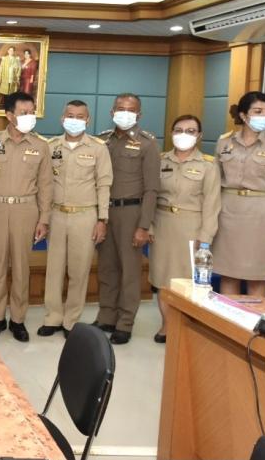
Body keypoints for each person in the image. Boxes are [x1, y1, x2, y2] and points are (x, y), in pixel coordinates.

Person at [0, 91, 51, 341]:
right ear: (9, 115)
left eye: (32, 112)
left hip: (26, 210)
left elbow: (46, 184)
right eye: (23, 112)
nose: (29, 116)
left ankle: (18, 319)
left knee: (21, 267)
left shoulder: (41, 146)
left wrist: (44, 218)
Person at [38, 100, 112, 338]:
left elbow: (104, 185)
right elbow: (43, 184)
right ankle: (52, 318)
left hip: (85, 216)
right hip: (56, 214)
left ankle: (71, 321)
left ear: (88, 120)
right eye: (70, 115)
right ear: (62, 118)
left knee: (79, 272)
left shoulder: (98, 148)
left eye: (80, 116)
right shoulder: (50, 146)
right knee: (54, 270)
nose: (75, 120)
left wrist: (102, 219)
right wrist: (43, 217)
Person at [213, 92, 265, 298]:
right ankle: (229, 318)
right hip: (227, 214)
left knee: (257, 277)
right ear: (243, 115)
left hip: (261, 217)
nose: (264, 116)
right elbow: (214, 183)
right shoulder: (224, 142)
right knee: (228, 275)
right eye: (258, 111)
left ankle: (256, 319)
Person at [95, 93, 160, 345]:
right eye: (120, 108)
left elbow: (152, 189)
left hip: (131, 213)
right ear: (112, 112)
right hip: (105, 212)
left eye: (130, 109)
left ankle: (125, 322)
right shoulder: (102, 140)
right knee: (107, 268)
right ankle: (106, 316)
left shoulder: (147, 144)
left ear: (139, 115)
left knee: (130, 271)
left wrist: (144, 225)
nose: (125, 113)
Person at [149, 114, 220, 343]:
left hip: (192, 227)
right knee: (162, 278)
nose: (184, 135)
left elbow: (212, 204)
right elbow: (150, 196)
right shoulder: (160, 160)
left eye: (190, 131)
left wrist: (206, 236)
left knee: (189, 281)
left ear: (199, 136)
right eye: (179, 130)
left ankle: (187, 328)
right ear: (171, 133)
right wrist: (149, 226)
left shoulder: (208, 165)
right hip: (162, 224)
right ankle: (166, 325)